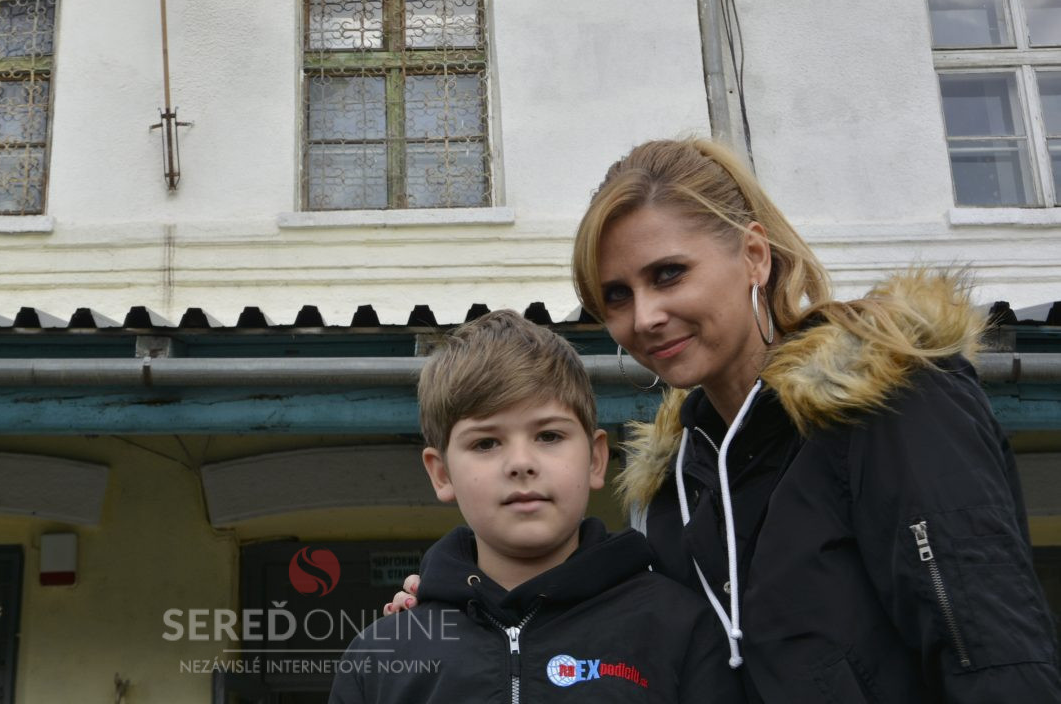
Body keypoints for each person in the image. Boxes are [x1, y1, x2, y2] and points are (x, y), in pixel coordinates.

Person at [388, 138, 1061, 702]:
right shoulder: (673, 487)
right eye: (616, 296)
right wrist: (465, 612)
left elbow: (997, 660)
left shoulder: (893, 402)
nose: (644, 317)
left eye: (668, 274)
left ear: (754, 256)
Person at [332, 309, 745, 703]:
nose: (521, 464)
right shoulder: (383, 655)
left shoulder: (676, 626)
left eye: (548, 436)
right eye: (486, 443)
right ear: (441, 474)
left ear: (596, 458)